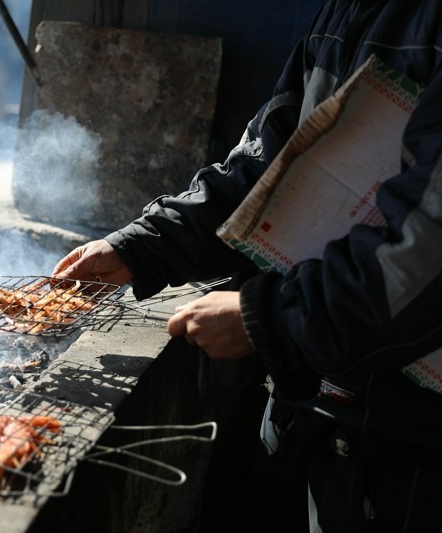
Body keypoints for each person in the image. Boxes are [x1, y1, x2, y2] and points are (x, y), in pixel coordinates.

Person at [51, 0, 442, 531]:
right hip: (323, 401)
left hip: (414, 442)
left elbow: (427, 252)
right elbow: (267, 167)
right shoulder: (346, 11)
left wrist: (270, 320)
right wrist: (142, 246)